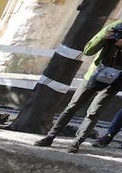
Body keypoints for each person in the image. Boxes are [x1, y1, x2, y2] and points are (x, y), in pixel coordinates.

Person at [35, 19, 122, 153]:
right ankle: (50, 137)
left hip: (116, 80)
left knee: (94, 112)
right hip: (95, 75)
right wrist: (104, 37)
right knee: (72, 106)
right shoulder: (116, 26)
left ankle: (77, 142)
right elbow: (88, 50)